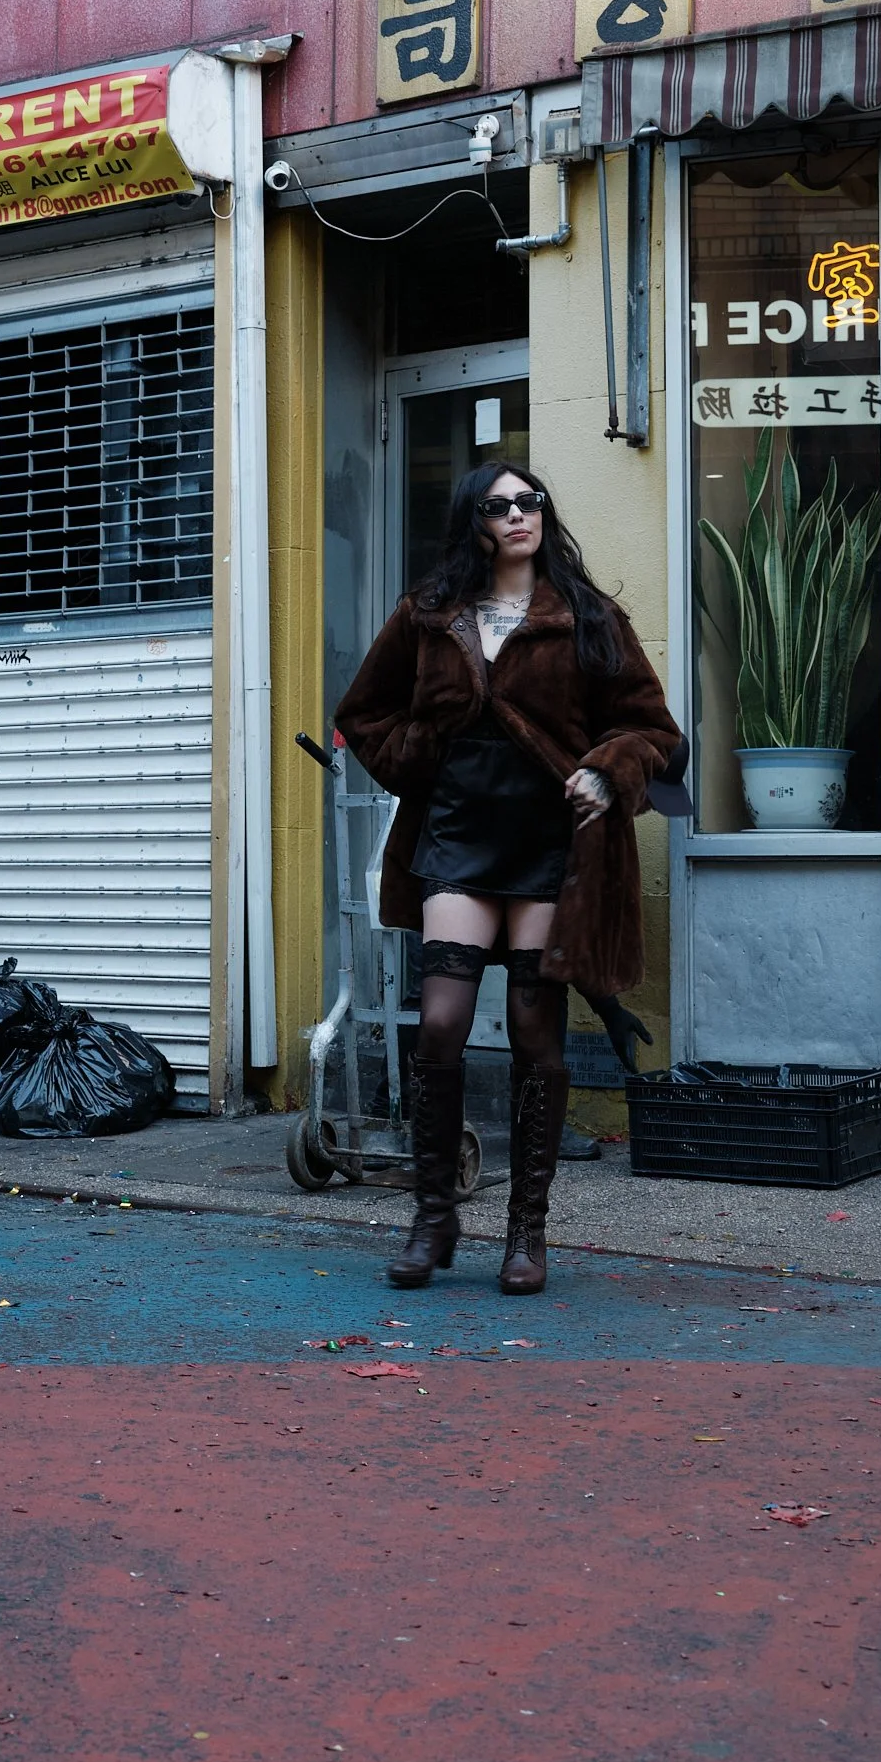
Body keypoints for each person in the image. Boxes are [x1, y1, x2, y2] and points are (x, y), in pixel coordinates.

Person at [335, 463, 682, 1294]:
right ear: (475, 523)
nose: (518, 515)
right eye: (498, 506)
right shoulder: (427, 614)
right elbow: (364, 714)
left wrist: (606, 770)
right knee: (441, 1023)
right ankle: (433, 1218)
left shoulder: (589, 616)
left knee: (534, 1030)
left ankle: (526, 1230)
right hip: (456, 833)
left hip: (549, 844)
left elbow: (652, 731)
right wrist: (424, 754)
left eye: (530, 501)